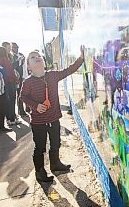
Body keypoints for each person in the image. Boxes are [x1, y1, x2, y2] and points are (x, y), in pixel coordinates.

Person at [20, 47, 84, 182]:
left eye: (39, 56)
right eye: (32, 57)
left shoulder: (52, 75)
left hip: (54, 118)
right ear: (28, 66)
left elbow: (69, 70)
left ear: (44, 62)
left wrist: (81, 58)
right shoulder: (28, 82)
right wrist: (35, 106)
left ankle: (55, 164)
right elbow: (23, 97)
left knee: (56, 143)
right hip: (38, 122)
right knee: (40, 147)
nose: (37, 57)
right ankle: (40, 171)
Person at [0, 46, 20, 126]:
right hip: (9, 82)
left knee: (6, 101)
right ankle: (12, 119)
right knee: (12, 101)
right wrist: (16, 80)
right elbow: (10, 71)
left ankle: (9, 119)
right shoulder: (5, 60)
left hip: (2, 83)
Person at [11, 42, 28, 117]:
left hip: (23, 77)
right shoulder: (11, 56)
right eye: (14, 47)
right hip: (15, 78)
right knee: (14, 96)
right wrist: (18, 61)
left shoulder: (21, 55)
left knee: (21, 94)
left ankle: (22, 110)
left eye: (17, 47)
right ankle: (14, 113)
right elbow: (13, 66)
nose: (16, 49)